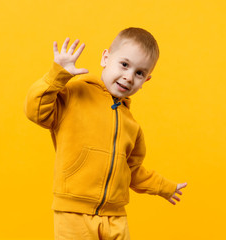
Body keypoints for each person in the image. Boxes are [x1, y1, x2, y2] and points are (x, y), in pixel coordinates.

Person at [24, 27, 187, 240]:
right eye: (124, 64)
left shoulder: (132, 126)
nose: (129, 77)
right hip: (73, 212)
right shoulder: (75, 95)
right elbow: (35, 111)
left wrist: (164, 187)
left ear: (146, 80)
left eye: (139, 73)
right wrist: (58, 75)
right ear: (106, 58)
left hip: (115, 216)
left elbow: (133, 171)